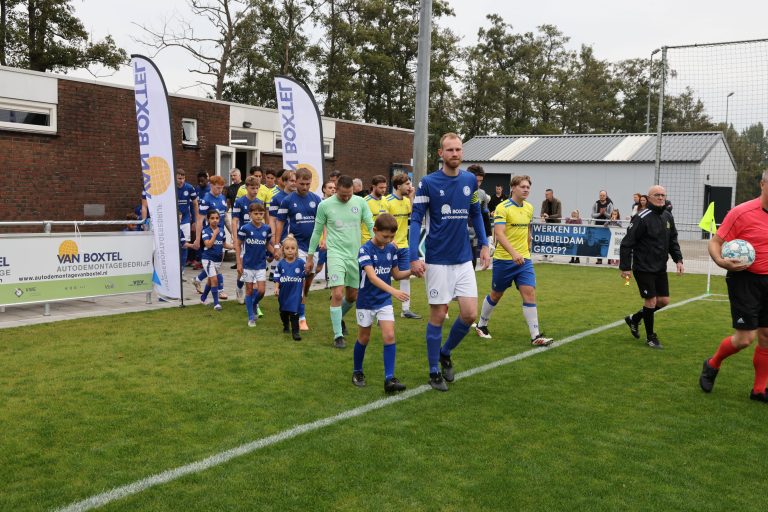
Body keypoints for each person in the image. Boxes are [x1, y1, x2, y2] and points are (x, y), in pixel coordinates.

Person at [409, 132, 490, 392]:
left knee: (469, 315)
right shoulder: (428, 183)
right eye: (450, 150)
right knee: (439, 315)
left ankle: (445, 352)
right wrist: (413, 256)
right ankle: (433, 371)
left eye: (458, 150)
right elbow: (415, 220)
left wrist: (485, 244)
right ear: (440, 154)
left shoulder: (469, 180)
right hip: (438, 260)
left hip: (464, 258)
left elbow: (476, 213)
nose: (455, 154)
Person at [699, 170, 768, 403]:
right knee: (745, 339)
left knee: (767, 335)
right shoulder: (741, 213)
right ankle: (712, 363)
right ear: (762, 184)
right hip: (744, 279)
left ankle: (759, 390)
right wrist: (720, 260)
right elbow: (716, 242)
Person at [473, 175, 553, 346]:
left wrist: (527, 247)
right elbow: (499, 233)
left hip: (524, 259)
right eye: (522, 187)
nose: (526, 190)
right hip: (505, 260)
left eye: (528, 187)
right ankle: (482, 324)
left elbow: (528, 230)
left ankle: (535, 336)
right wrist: (513, 252)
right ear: (513, 188)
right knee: (496, 294)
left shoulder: (530, 207)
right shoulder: (503, 207)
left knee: (529, 292)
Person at [306, 175, 374, 348]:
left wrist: (382, 244)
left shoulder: (360, 202)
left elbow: (370, 224)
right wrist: (310, 256)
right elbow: (316, 231)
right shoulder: (325, 205)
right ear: (335, 189)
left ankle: (338, 317)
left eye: (349, 194)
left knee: (352, 296)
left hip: (355, 255)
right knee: (337, 293)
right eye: (343, 195)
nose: (346, 198)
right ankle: (338, 336)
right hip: (335, 253)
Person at [352, 213, 411, 393]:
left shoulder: (391, 248)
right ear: (375, 230)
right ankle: (357, 371)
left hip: (384, 301)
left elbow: (395, 274)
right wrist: (394, 291)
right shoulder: (365, 250)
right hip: (366, 301)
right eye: (385, 236)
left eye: (392, 237)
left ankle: (389, 379)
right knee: (364, 338)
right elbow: (372, 276)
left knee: (389, 335)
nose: (389, 240)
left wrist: (413, 271)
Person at [620, 185, 684, 349]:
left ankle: (634, 318)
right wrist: (625, 267)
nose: (661, 197)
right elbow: (627, 243)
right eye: (657, 195)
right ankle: (651, 337)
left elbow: (673, 241)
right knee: (651, 300)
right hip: (643, 267)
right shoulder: (641, 217)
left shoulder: (668, 217)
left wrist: (678, 260)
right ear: (648, 198)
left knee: (664, 301)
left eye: (663, 195)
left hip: (660, 267)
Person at [275, 167, 322, 331]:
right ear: (296, 182)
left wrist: (324, 239)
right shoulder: (287, 200)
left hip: (313, 247)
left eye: (308, 184)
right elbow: (279, 222)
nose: (305, 187)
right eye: (302, 183)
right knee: (299, 281)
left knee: (307, 281)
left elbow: (323, 222)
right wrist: (277, 244)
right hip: (298, 247)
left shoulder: (316, 200)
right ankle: (301, 317)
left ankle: (299, 302)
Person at [383, 173, 421, 319]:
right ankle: (383, 306)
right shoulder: (387, 201)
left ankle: (406, 310)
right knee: (385, 276)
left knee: (405, 276)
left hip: (404, 246)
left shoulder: (407, 200)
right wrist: (388, 241)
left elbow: (415, 216)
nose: (410, 187)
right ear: (398, 186)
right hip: (389, 246)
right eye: (407, 184)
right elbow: (383, 223)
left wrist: (411, 197)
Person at [236, 202, 274, 327]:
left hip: (261, 265)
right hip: (247, 265)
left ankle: (253, 303)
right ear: (250, 214)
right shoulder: (245, 228)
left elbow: (267, 244)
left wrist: (275, 253)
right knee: (249, 290)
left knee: (262, 291)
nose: (258, 216)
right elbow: (238, 244)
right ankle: (251, 317)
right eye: (256, 214)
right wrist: (239, 263)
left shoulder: (267, 229)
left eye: (261, 213)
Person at [232, 176, 267, 305]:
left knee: (252, 266)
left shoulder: (259, 202)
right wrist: (235, 236)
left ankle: (251, 295)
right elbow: (235, 220)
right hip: (243, 238)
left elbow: (262, 220)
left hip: (255, 238)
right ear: (246, 188)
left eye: (257, 188)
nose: (255, 190)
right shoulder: (239, 202)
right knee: (242, 267)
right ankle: (239, 288)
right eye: (252, 188)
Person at [194, 175, 230, 299]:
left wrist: (232, 234)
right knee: (215, 266)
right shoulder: (206, 199)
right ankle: (221, 290)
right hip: (210, 234)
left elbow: (225, 217)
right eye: (218, 188)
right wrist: (198, 239)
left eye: (222, 188)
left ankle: (197, 279)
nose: (220, 190)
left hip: (220, 234)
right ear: (211, 185)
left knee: (214, 265)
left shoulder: (222, 198)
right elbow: (200, 220)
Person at [199, 210, 233, 311]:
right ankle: (216, 304)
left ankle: (203, 298)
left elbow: (224, 244)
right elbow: (208, 244)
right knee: (214, 280)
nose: (215, 220)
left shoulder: (222, 230)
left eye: (217, 218)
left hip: (218, 260)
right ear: (208, 219)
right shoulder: (205, 231)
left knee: (210, 281)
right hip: (208, 259)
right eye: (212, 218)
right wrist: (214, 234)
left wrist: (233, 246)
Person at [274, 235, 305, 341]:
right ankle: (286, 325)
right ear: (283, 250)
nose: (290, 251)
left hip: (295, 293)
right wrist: (276, 288)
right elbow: (277, 277)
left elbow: (305, 276)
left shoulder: (301, 263)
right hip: (284, 293)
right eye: (287, 248)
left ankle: (296, 332)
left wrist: (304, 292)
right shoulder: (281, 264)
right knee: (283, 312)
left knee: (294, 312)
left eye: (293, 248)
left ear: (296, 250)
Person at [175, 168, 199, 270]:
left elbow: (195, 204)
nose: (181, 181)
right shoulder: (170, 187)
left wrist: (195, 220)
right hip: (173, 219)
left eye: (183, 178)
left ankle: (182, 269)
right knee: (174, 244)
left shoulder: (189, 188)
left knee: (184, 244)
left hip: (185, 218)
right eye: (179, 178)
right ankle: (174, 268)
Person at [315, 180, 336, 284]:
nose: (333, 189)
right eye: (330, 187)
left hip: (335, 240)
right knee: (319, 266)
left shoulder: (337, 204)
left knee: (333, 264)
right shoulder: (320, 204)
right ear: (324, 189)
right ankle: (306, 280)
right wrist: (324, 238)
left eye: (334, 188)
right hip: (323, 240)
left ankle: (332, 286)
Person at [361, 175, 388, 244]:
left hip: (381, 240)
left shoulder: (385, 200)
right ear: (374, 187)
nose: (383, 190)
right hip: (367, 240)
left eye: (385, 187)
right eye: (381, 187)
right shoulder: (364, 201)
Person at [591, 190, 614, 264]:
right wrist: (599, 213)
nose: (602, 196)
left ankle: (609, 259)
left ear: (606, 196)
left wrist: (605, 213)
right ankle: (599, 259)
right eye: (601, 195)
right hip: (598, 226)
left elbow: (611, 215)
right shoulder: (596, 203)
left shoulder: (609, 204)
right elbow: (592, 215)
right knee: (598, 243)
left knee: (607, 243)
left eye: (603, 195)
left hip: (607, 227)